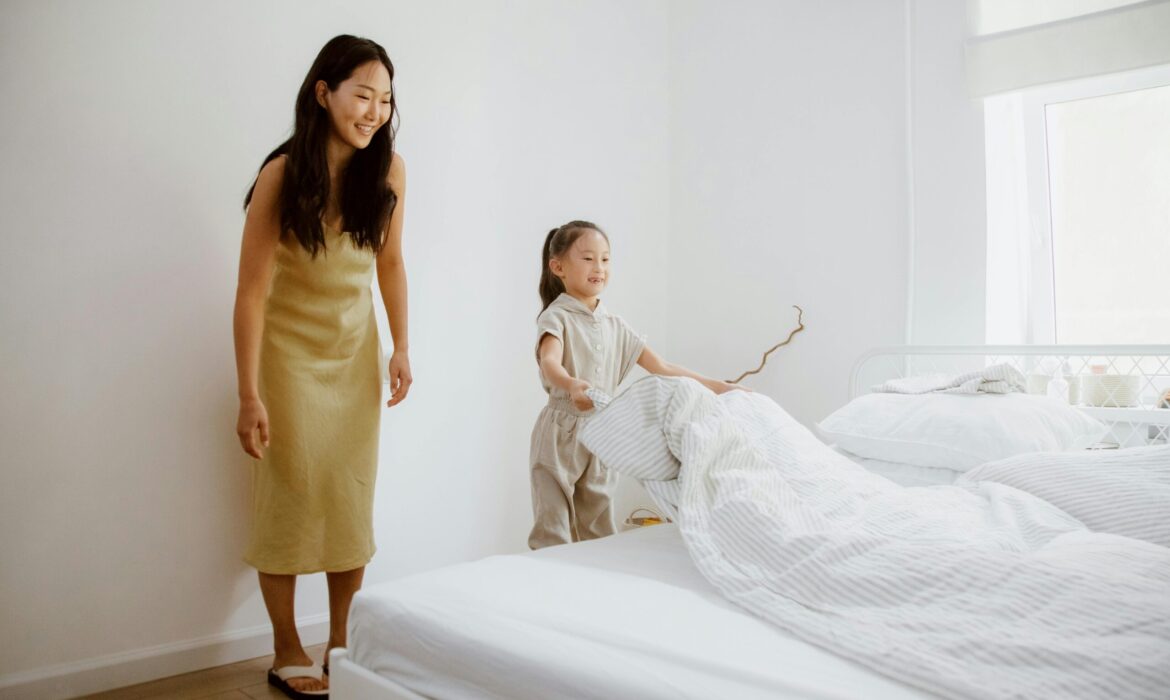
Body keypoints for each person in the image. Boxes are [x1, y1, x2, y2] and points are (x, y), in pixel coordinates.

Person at [232, 34, 410, 698]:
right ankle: (286, 646)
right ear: (323, 93)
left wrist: (402, 345)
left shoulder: (389, 172)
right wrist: (248, 394)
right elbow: (250, 292)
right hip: (286, 359)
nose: (374, 112)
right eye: (362, 95)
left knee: (347, 496)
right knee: (288, 495)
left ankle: (340, 641)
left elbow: (391, 263)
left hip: (354, 354)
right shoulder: (281, 176)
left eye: (385, 100)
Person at [529, 220, 743, 550]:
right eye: (587, 258)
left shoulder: (616, 325)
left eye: (605, 259)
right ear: (558, 267)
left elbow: (663, 368)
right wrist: (571, 385)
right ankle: (544, 575)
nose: (599, 267)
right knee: (552, 524)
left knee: (599, 524)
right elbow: (549, 362)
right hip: (560, 431)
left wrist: (721, 387)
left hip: (602, 433)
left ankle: (594, 577)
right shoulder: (556, 317)